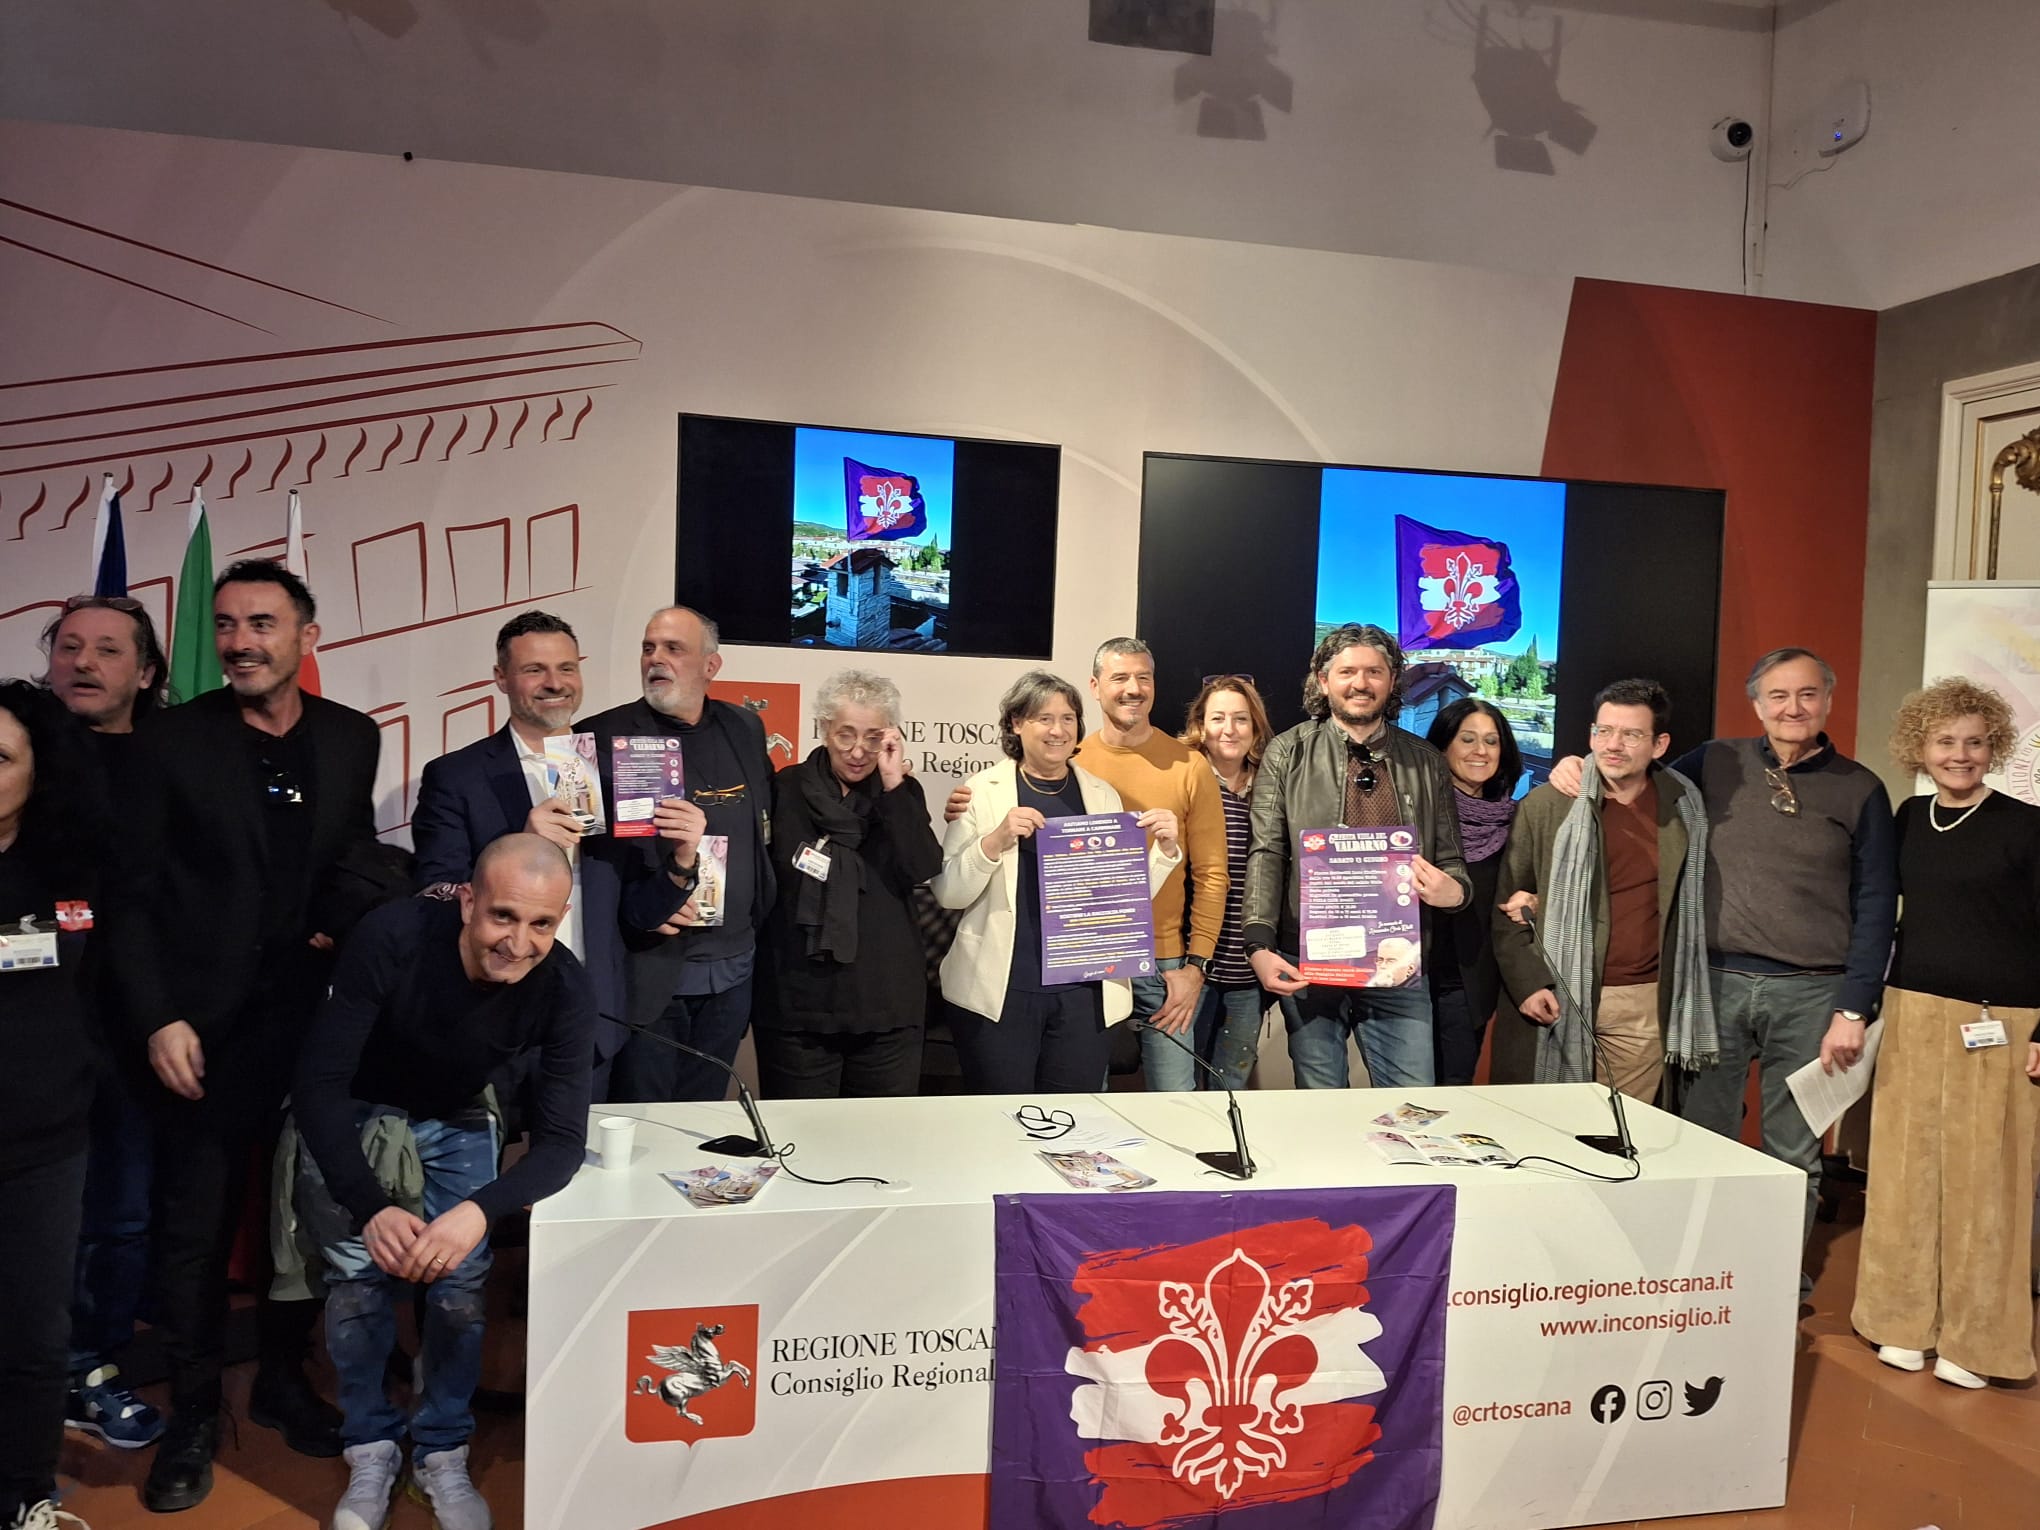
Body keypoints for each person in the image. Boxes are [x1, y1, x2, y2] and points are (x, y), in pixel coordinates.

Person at [126, 561, 389, 1512]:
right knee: (195, 1229)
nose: (241, 642)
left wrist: (335, 918)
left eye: (263, 624)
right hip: (201, 1030)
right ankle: (196, 1412)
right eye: (228, 625)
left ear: (306, 637)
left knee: (303, 1217)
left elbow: (354, 854)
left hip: (316, 1026)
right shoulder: (170, 740)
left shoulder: (352, 736)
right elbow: (131, 896)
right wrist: (158, 1017)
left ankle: (283, 1378)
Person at [1549, 647, 1895, 1258]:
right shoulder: (1715, 761)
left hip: (1813, 995)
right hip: (1712, 985)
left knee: (1794, 1153)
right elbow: (1635, 774)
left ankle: (1780, 1281)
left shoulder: (1862, 789)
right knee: (1703, 1139)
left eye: (1807, 694)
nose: (1793, 708)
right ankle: (1702, 1270)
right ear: (1757, 704)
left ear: (1827, 701)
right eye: (1778, 696)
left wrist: (1855, 1008)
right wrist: (1578, 764)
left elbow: (1876, 903)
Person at [293, 834, 594, 1530]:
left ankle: (441, 1449)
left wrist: (481, 1213)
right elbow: (319, 1084)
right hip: (361, 1106)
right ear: (466, 902)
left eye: (540, 924)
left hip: (458, 1109)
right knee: (358, 1281)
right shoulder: (392, 937)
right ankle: (370, 1445)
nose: (518, 943)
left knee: (460, 1285)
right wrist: (369, 1205)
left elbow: (561, 1143)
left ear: (561, 918)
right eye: (502, 916)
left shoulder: (566, 985)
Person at [1851, 679, 2040, 1389]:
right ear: (1920, 748)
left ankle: (1977, 1341)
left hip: (2001, 1023)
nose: (1960, 754)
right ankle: (1900, 1321)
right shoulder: (1907, 818)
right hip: (1912, 1015)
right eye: (1945, 741)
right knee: (1902, 1176)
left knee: (1988, 1188)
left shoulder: (2027, 827)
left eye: (1975, 742)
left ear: (1994, 747)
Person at [945, 640, 1228, 1091]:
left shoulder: (1101, 793)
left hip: (1092, 982)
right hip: (1005, 986)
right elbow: (949, 893)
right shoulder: (982, 791)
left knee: (1083, 1111)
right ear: (1017, 723)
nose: (1057, 730)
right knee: (1001, 1112)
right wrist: (993, 841)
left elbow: (1119, 896)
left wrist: (1164, 853)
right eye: (1043, 718)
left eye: (1066, 719)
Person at [41, 598, 171, 1451]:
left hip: (133, 1033)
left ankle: (89, 1367)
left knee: (120, 1215)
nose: (83, 663)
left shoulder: (177, 762)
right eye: (69, 647)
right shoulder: (22, 755)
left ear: (147, 672)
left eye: (107, 650)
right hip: (29, 1031)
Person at [410, 611, 632, 1093]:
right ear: (501, 678)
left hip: (590, 1017)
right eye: (535, 670)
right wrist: (524, 841)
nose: (555, 683)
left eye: (567, 668)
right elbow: (434, 894)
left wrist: (682, 863)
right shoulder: (455, 776)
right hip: (492, 1017)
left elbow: (635, 903)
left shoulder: (617, 774)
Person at [1242, 624, 1470, 1089]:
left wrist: (1455, 892)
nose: (1360, 683)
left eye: (1374, 672)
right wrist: (1258, 944)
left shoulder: (1427, 761)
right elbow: (1267, 852)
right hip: (1310, 959)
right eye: (1347, 672)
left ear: (1392, 680)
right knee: (1321, 1103)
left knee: (1413, 1107)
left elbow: (1451, 860)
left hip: (1398, 962)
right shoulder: (1287, 752)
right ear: (1323, 680)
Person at [0, 680, 119, 1530]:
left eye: (0, 757)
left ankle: (25, 1495)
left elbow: (105, 985)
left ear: (37, 771)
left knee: (37, 1338)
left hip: (45, 1143)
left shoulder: (71, 867)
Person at [1489, 680, 1714, 1101]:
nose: (1613, 745)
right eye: (1604, 731)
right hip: (1558, 992)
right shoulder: (1547, 805)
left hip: (1641, 1002)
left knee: (1623, 1130)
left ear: (1659, 744)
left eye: (1631, 734)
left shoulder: (1686, 807)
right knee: (1549, 1124)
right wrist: (1529, 984)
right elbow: (1508, 908)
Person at [582, 607, 769, 1103]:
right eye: (649, 648)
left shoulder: (745, 727)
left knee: (703, 1119)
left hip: (733, 971)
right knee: (645, 1122)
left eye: (673, 648)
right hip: (648, 973)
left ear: (711, 665)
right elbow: (583, 863)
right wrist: (644, 903)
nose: (655, 659)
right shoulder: (598, 738)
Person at [756, 672, 942, 1097]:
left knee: (881, 1135)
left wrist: (893, 785)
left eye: (873, 738)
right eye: (846, 735)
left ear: (890, 737)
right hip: (796, 1006)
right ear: (824, 729)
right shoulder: (784, 790)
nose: (858, 751)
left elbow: (923, 866)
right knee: (797, 1133)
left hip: (886, 1006)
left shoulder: (900, 794)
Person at [1176, 676, 1277, 1089]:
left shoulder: (1273, 785)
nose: (1229, 729)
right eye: (1218, 718)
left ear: (1255, 727)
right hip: (1189, 961)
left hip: (1248, 965)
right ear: (1200, 724)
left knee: (1232, 1078)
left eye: (1240, 719)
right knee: (1184, 1078)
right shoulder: (1182, 778)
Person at [1422, 698, 1522, 1086]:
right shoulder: (1415, 814)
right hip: (1410, 982)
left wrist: (1534, 898)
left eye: (1491, 741)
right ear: (1442, 746)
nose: (1481, 750)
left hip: (1470, 988)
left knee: (1452, 1094)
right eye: (1467, 739)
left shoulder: (1515, 821)